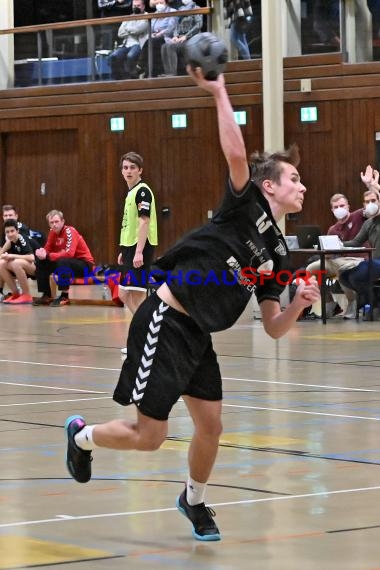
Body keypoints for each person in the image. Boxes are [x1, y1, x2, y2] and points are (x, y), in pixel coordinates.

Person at [64, 66, 320, 542]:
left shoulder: (281, 255)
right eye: (294, 178)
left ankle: (194, 501)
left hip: (199, 336)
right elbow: (237, 153)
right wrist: (220, 90)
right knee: (150, 436)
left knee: (211, 426)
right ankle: (80, 436)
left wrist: (298, 306)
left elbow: (272, 327)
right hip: (167, 319)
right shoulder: (244, 206)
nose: (302, 186)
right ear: (270, 186)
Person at [117, 151, 158, 354]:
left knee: (138, 295)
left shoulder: (143, 191)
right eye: (125, 167)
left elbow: (144, 221)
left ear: (140, 170)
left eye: (132, 167)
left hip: (140, 247)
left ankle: (146, 341)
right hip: (130, 247)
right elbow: (129, 224)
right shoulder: (131, 193)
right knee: (123, 294)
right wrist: (124, 250)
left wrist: (139, 251)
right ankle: (149, 332)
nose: (128, 171)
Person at [306, 192, 367, 319]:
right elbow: (330, 253)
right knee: (312, 268)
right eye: (336, 207)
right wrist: (327, 253)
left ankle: (352, 302)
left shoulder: (358, 216)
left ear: (348, 206)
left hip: (358, 259)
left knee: (341, 268)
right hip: (338, 260)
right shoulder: (332, 229)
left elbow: (375, 208)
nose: (339, 209)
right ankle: (329, 303)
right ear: (332, 210)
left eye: (342, 205)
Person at [33, 210, 95, 307]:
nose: (54, 225)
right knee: (41, 261)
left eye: (56, 222)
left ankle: (64, 296)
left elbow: (69, 254)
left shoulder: (70, 231)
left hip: (85, 265)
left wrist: (48, 255)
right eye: (51, 222)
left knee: (63, 261)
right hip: (67, 263)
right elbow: (47, 249)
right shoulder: (52, 233)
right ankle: (46, 295)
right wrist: (41, 253)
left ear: (63, 221)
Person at [340, 184, 380, 318]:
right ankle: (372, 300)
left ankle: (372, 302)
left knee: (357, 274)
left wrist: (372, 186)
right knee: (344, 276)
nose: (370, 204)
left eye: (373, 201)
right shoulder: (368, 223)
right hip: (374, 261)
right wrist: (339, 244)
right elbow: (356, 242)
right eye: (367, 202)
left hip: (377, 263)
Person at [108, 0, 149, 80]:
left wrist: (127, 29)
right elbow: (120, 33)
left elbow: (138, 30)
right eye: (134, 6)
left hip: (138, 44)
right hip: (126, 44)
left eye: (138, 6)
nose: (135, 8)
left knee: (131, 56)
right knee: (114, 56)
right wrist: (131, 31)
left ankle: (131, 78)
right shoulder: (129, 17)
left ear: (143, 6)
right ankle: (117, 80)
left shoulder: (147, 17)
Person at [160, 0, 203, 76]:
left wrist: (186, 36)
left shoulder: (196, 8)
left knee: (171, 46)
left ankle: (172, 73)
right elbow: (177, 25)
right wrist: (175, 36)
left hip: (191, 38)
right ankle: (168, 72)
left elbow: (198, 25)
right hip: (179, 37)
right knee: (164, 46)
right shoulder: (181, 9)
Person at [0, 220, 36, 304]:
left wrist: (12, 256)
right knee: (1, 264)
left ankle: (26, 295)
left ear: (17, 231)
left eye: (12, 231)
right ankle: (16, 294)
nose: (10, 234)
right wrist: (4, 256)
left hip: (39, 268)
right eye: (7, 232)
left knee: (15, 262)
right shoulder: (10, 241)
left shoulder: (22, 239)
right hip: (25, 266)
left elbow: (31, 257)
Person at [138, 0, 176, 77]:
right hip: (155, 39)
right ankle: (147, 71)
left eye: (161, 3)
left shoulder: (173, 11)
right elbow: (151, 28)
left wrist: (160, 33)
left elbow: (171, 29)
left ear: (166, 3)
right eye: (157, 3)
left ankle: (140, 66)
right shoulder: (155, 13)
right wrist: (153, 34)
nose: (159, 5)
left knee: (151, 42)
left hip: (167, 38)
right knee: (151, 42)